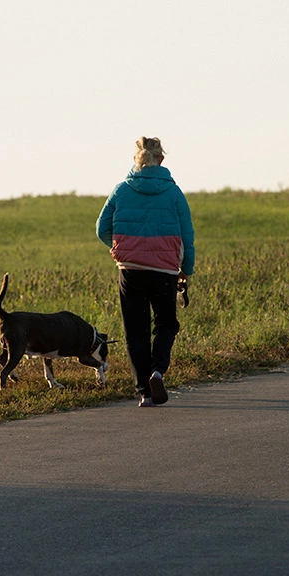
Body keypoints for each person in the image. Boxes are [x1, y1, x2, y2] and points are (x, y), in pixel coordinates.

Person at [96, 137, 195, 407]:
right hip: (164, 270)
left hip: (130, 271)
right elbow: (187, 236)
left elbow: (101, 229)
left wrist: (119, 248)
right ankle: (157, 372)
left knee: (135, 331)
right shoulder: (174, 193)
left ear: (135, 160)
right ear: (161, 160)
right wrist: (186, 270)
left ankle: (145, 393)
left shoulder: (121, 190)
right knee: (165, 324)